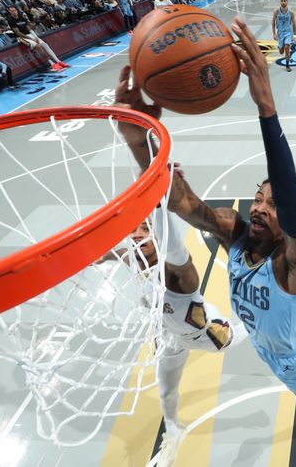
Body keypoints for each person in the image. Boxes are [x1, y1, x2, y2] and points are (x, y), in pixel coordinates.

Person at [116, 16, 296, 413]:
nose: (258, 207)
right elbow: (182, 203)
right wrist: (139, 140)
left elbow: (291, 208)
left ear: (288, 222)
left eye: (271, 205)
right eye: (257, 198)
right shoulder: (235, 231)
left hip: (292, 359)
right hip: (275, 336)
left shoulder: (294, 261)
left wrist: (266, 106)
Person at [98, 195, 248, 466]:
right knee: (166, 390)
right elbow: (116, 253)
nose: (138, 235)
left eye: (147, 229)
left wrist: (158, 206)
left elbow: (178, 253)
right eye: (134, 230)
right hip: (170, 337)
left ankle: (254, 320)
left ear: (159, 235)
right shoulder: (133, 258)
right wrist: (95, 255)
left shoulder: (179, 275)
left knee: (243, 335)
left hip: (206, 333)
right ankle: (174, 430)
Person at [7, 6, 69, 71]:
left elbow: (29, 28)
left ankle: (58, 61)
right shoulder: (11, 21)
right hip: (22, 37)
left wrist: (35, 37)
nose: (14, 12)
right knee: (38, 47)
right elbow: (18, 33)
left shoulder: (21, 16)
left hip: (30, 34)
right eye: (12, 11)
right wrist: (30, 38)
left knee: (45, 45)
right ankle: (52, 64)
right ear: (10, 12)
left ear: (16, 10)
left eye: (14, 10)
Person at [273, 0, 296, 72]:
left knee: (287, 48)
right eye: (282, 1)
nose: (283, 2)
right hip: (280, 32)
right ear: (280, 2)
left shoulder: (291, 12)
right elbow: (273, 23)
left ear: (287, 2)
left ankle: (287, 65)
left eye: (284, 1)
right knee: (281, 52)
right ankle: (280, 47)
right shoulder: (276, 11)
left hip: (288, 32)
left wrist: (295, 35)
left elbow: (294, 24)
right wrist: (274, 33)